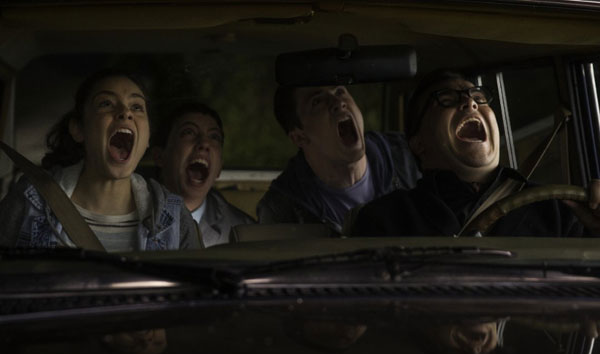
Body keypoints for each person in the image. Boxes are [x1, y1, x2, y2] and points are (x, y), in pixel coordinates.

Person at [351, 70, 600, 237]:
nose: (470, 103)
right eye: (446, 99)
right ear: (418, 144)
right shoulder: (387, 219)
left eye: (479, 97)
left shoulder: (558, 210)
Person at [0, 69, 201, 251]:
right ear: (78, 129)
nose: (125, 113)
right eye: (106, 104)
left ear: (147, 137)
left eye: (136, 106)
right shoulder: (30, 200)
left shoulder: (174, 215)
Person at [256, 85, 421, 233]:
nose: (338, 102)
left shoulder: (414, 155)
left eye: (340, 91)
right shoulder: (281, 210)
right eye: (317, 101)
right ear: (300, 137)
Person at [152, 102, 254, 247]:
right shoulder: (127, 216)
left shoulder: (245, 233)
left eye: (214, 137)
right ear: (159, 156)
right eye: (189, 132)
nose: (204, 143)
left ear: (219, 168)